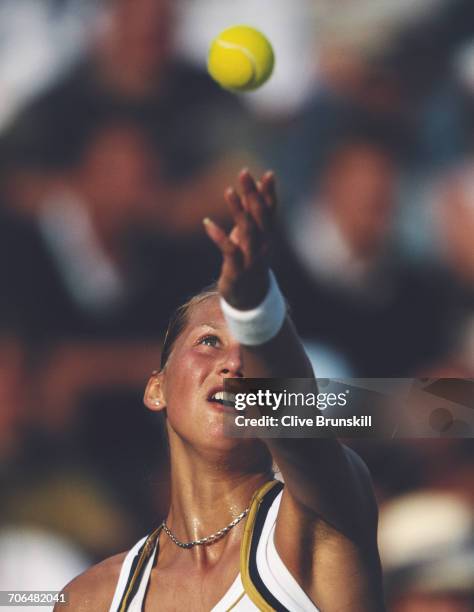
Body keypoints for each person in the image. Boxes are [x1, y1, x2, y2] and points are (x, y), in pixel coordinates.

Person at [57, 169, 384, 611]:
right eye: (209, 342)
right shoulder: (87, 598)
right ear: (157, 389)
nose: (233, 364)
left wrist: (256, 309)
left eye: (251, 354)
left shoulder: (319, 521)